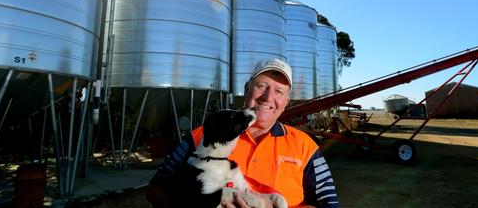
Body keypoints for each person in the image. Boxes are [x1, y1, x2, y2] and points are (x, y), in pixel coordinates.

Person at [146, 58, 340, 208]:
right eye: (262, 86)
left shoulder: (305, 147)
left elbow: (329, 204)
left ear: (286, 103)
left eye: (279, 91)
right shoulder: (200, 137)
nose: (268, 97)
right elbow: (155, 189)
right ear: (247, 89)